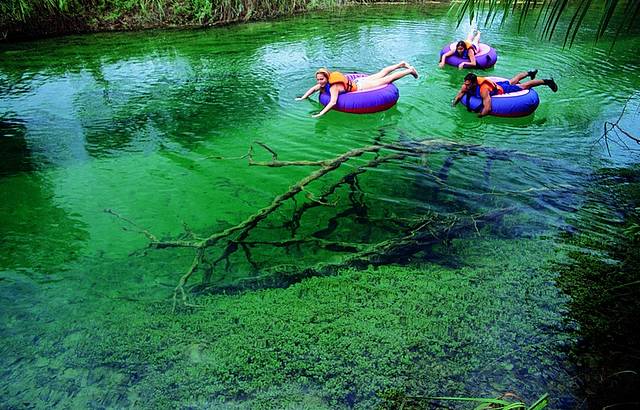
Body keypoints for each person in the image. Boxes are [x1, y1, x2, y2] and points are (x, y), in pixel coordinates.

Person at [295, 62, 419, 118]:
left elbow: (332, 102)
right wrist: (303, 97)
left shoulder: (333, 87)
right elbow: (313, 89)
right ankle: (401, 64)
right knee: (381, 73)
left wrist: (321, 113)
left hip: (361, 86)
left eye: (321, 79)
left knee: (386, 79)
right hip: (357, 82)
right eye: (318, 79)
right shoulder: (323, 85)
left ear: (327, 78)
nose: (319, 82)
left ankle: (409, 70)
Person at [451, 70, 558, 117]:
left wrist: (479, 116)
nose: (467, 86)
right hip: (496, 85)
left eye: (469, 85)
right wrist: (454, 103)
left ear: (474, 83)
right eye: (466, 84)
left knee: (523, 86)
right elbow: (460, 94)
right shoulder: (466, 85)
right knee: (512, 81)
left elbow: (487, 108)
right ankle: (530, 73)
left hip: (501, 90)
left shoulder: (483, 89)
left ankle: (547, 81)